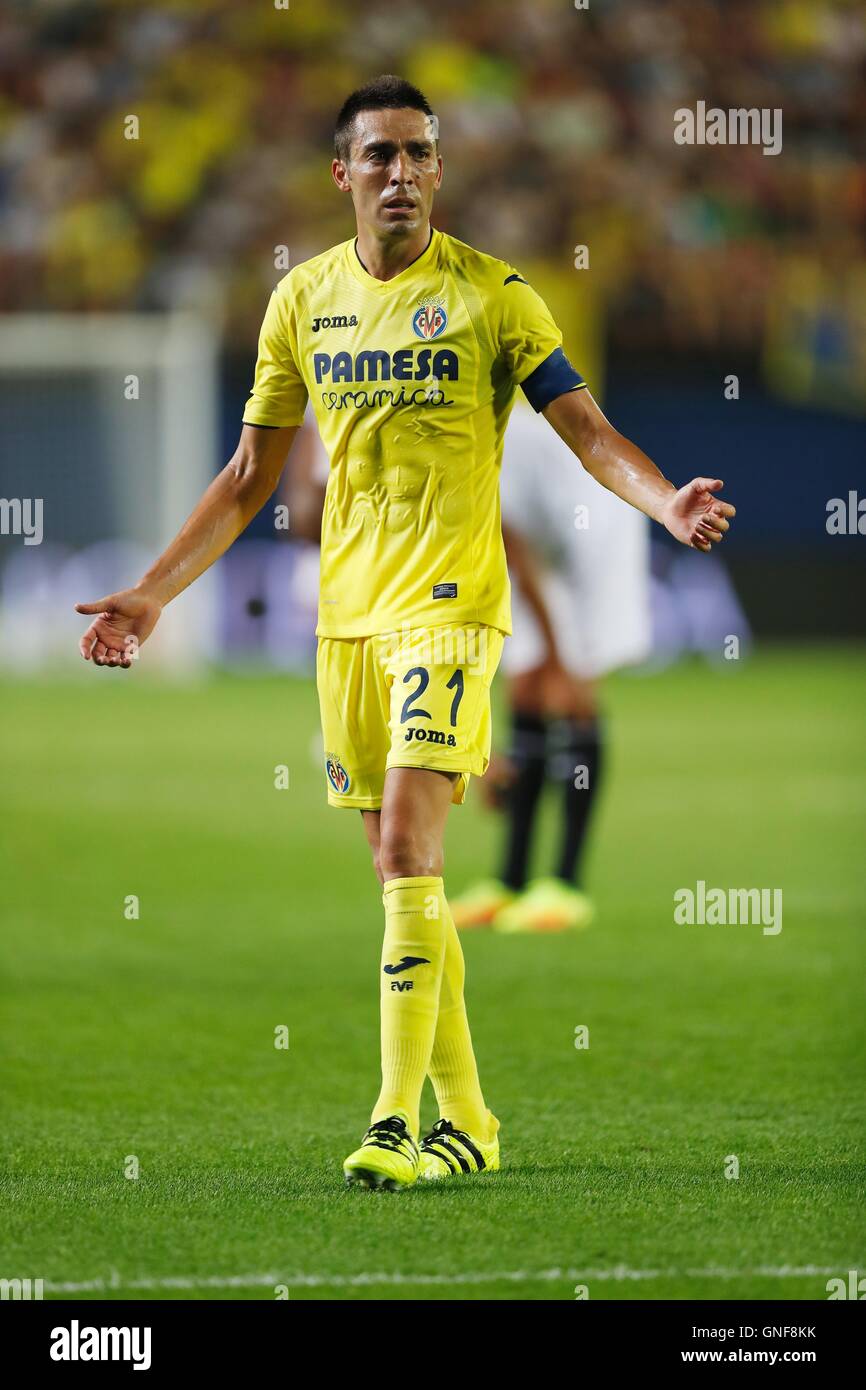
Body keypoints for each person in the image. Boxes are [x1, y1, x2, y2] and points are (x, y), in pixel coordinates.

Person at [75, 75, 735, 1191]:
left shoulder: (494, 296)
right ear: (341, 174)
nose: (400, 173)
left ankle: (392, 1120)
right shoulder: (302, 302)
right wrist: (152, 591)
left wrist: (663, 500)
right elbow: (248, 478)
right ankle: (470, 1117)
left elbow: (585, 429)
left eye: (418, 154)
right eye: (377, 155)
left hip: (450, 609)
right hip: (347, 626)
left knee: (404, 855)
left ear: (438, 170)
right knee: (403, 883)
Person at [451, 398, 651, 933]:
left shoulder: (466, 452)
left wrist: (562, 659)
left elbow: (515, 557)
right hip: (543, 538)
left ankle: (565, 885)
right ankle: (511, 881)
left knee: (568, 691)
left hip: (596, 528)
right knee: (525, 686)